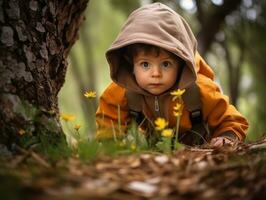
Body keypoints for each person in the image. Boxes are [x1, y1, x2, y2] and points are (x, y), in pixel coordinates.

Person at [95, 2, 248, 147]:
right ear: (131, 64)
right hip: (157, 154)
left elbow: (231, 119)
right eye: (145, 64)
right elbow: (108, 120)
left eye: (166, 64)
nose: (156, 74)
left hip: (202, 151)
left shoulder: (200, 89)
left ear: (181, 63)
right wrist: (110, 144)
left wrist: (227, 137)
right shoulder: (122, 90)